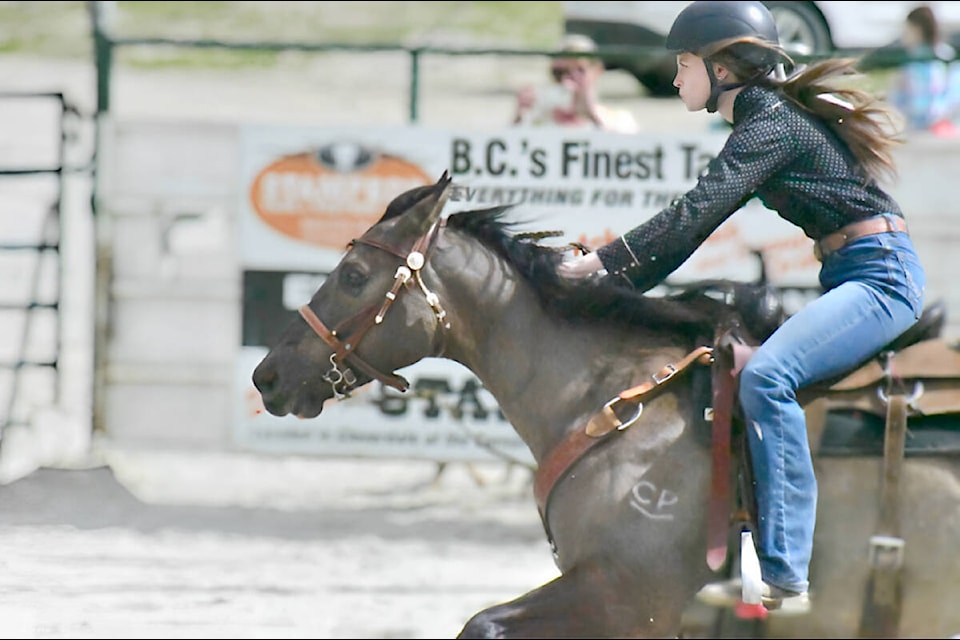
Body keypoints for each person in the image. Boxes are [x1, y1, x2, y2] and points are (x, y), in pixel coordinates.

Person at [557, 0, 926, 613]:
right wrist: (617, 282)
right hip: (855, 273)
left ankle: (785, 572)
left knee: (767, 376)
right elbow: (690, 223)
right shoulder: (763, 120)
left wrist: (603, 265)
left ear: (722, 69)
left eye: (683, 63)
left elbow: (694, 215)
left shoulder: (768, 122)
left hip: (881, 279)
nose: (674, 78)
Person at [513, 34, 639, 133]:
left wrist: (593, 117)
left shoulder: (620, 121)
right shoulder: (538, 120)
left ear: (597, 71)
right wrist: (519, 119)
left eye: (580, 71)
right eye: (559, 73)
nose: (567, 82)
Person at [887, 4, 960, 137]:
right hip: (949, 119)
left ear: (917, 30)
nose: (903, 35)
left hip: (926, 124)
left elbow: (921, 103)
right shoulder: (946, 54)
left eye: (906, 30)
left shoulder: (917, 62)